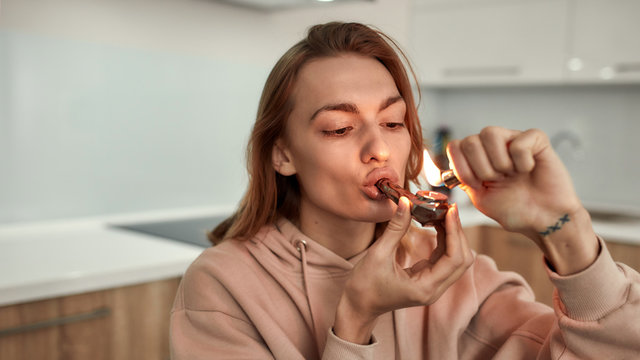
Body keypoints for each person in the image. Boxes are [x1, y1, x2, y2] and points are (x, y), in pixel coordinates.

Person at [169, 22, 640, 359]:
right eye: (339, 128)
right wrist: (355, 320)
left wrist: (567, 233)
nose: (380, 149)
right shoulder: (222, 286)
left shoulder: (452, 274)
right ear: (282, 155)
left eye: (394, 122)